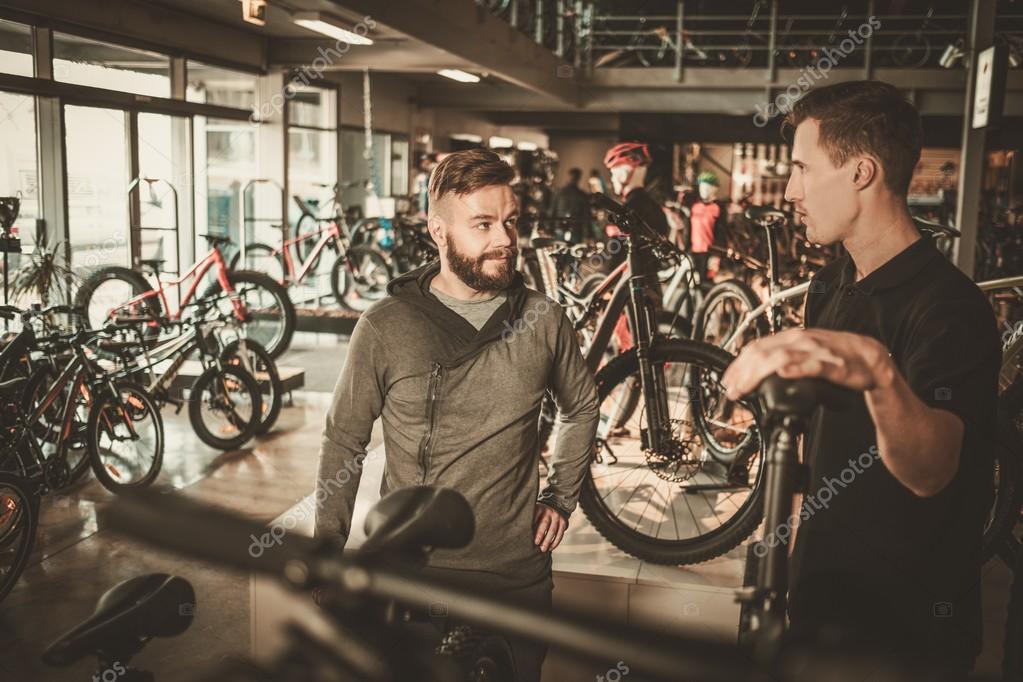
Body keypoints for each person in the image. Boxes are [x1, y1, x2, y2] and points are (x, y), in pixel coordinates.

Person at [721, 81, 999, 675]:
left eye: (802, 168)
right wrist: (779, 563)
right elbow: (810, 450)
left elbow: (931, 470)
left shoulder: (951, 307)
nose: (791, 190)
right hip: (818, 609)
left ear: (861, 172)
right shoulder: (830, 284)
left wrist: (876, 369)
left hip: (906, 636)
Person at [314, 148, 599, 682]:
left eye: (511, 221)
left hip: (515, 577)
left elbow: (581, 405)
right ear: (438, 231)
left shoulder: (543, 319)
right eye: (483, 224)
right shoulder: (386, 326)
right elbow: (344, 438)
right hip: (413, 574)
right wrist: (327, 549)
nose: (504, 239)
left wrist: (561, 497)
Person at [688, 171, 724, 280]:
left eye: (707, 188)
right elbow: (688, 230)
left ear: (715, 189)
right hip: (693, 252)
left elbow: (721, 234)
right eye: (702, 187)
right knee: (691, 282)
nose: (704, 191)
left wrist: (716, 256)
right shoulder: (695, 207)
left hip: (709, 252)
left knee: (706, 283)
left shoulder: (718, 208)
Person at [548, 167, 592, 242]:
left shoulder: (559, 193)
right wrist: (588, 233)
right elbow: (586, 214)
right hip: (572, 229)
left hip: (563, 228)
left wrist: (550, 228)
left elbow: (552, 210)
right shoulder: (582, 195)